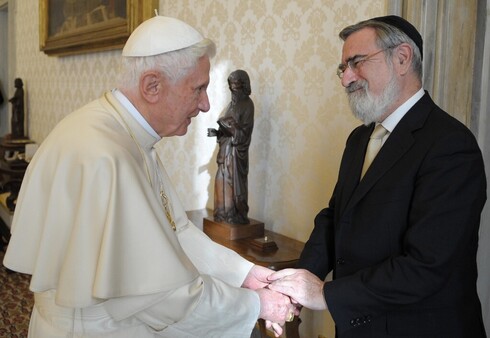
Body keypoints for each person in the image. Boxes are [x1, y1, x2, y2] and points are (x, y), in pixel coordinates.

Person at [3, 15, 295, 338]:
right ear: (152, 86)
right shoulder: (107, 155)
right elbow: (167, 298)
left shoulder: (124, 136)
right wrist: (257, 305)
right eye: (198, 89)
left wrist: (244, 274)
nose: (206, 103)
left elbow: (176, 230)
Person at [268, 15, 487, 338]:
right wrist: (297, 281)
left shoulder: (451, 144)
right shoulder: (359, 139)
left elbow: (427, 266)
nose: (346, 79)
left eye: (356, 62)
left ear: (401, 58)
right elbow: (335, 219)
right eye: (343, 68)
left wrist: (324, 294)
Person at [208, 69, 254, 224]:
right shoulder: (230, 105)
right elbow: (226, 130)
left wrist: (232, 127)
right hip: (224, 151)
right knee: (220, 180)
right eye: (230, 86)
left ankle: (234, 215)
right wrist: (218, 132)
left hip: (235, 154)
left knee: (231, 183)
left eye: (236, 86)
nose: (233, 90)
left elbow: (245, 133)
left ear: (243, 85)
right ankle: (221, 215)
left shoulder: (247, 104)